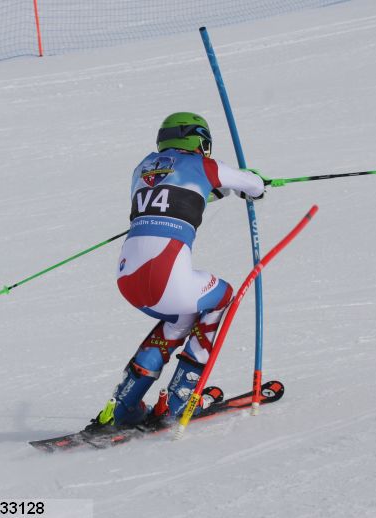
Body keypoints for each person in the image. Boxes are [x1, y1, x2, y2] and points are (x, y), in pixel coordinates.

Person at [89, 112, 266, 430]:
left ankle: (123, 406)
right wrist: (254, 184)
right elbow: (253, 185)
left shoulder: (142, 167)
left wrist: (219, 193)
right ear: (198, 140)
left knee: (181, 319)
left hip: (128, 279)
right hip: (166, 278)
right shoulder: (204, 165)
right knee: (222, 296)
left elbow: (178, 194)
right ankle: (179, 399)